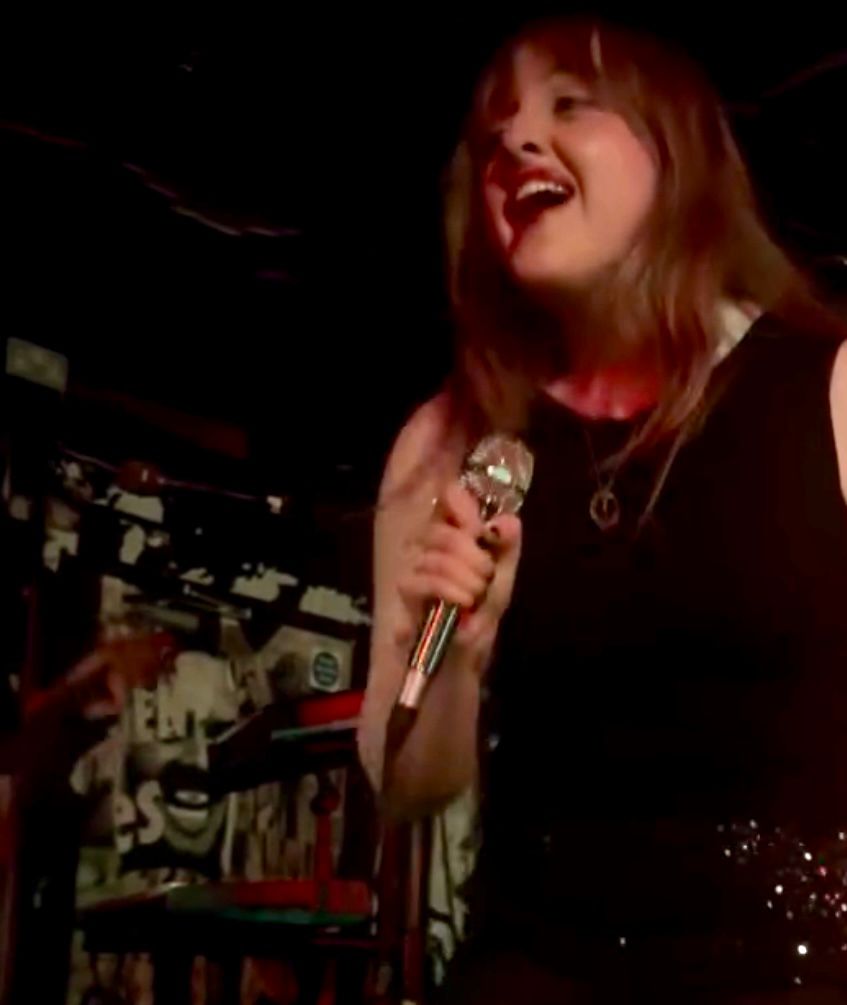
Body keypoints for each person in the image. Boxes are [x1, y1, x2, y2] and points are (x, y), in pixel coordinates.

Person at [358, 14, 847, 1004]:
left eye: (569, 106)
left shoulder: (831, 390)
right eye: (494, 132)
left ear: (677, 149)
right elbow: (407, 787)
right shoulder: (448, 442)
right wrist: (451, 656)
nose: (515, 142)